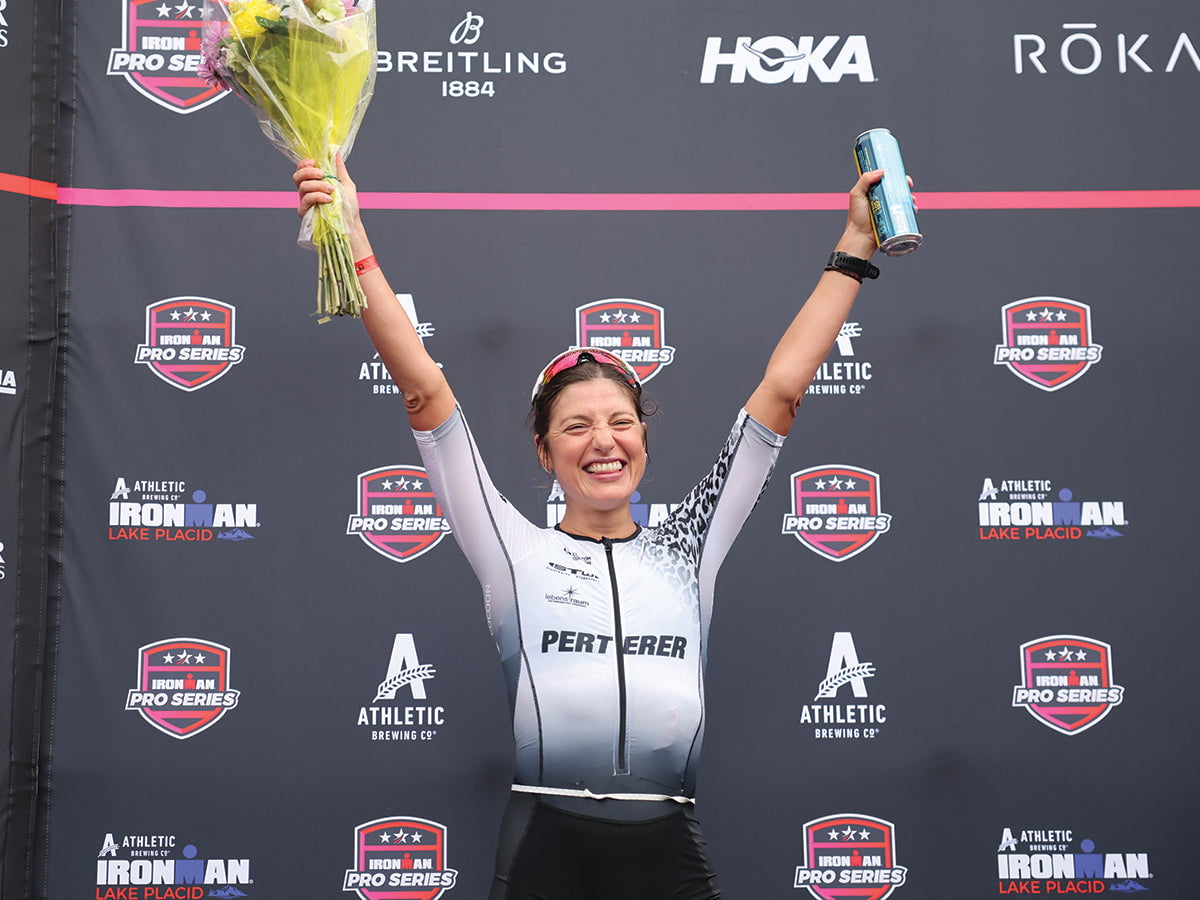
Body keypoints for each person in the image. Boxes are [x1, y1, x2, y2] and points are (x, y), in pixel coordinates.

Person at [294, 155, 900, 899]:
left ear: (644, 439)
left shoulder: (690, 545)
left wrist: (854, 246)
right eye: (576, 426)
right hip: (544, 848)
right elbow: (424, 392)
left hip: (669, 847)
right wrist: (353, 236)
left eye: (621, 422)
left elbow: (781, 393)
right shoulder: (513, 550)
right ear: (544, 451)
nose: (603, 441)